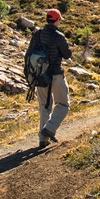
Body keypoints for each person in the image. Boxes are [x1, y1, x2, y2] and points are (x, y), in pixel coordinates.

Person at [26, 8, 72, 148]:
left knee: (44, 106)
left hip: (40, 76)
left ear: (47, 19)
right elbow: (67, 55)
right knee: (63, 104)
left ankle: (42, 139)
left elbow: (29, 54)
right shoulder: (59, 36)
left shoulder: (37, 34)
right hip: (56, 75)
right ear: (57, 20)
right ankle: (50, 128)